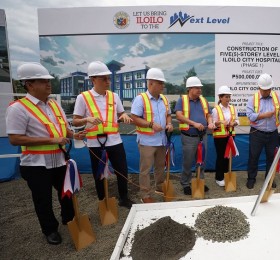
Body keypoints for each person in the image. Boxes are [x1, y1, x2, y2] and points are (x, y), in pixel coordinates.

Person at [6, 62, 86, 245]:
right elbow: (15, 139)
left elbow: (64, 130)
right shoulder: (18, 108)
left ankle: (69, 219)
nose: (48, 84)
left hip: (59, 160)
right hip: (35, 164)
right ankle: (50, 229)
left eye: (48, 80)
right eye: (43, 81)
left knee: (66, 193)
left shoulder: (54, 105)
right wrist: (51, 141)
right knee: (43, 199)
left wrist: (74, 135)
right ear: (29, 84)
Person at [72, 61, 134, 208]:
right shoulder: (83, 97)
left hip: (115, 141)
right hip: (95, 144)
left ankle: (124, 198)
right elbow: (75, 121)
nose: (108, 81)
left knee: (122, 171)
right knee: (99, 174)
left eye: (108, 78)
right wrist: (87, 119)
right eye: (103, 79)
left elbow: (121, 112)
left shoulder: (114, 96)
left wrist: (124, 115)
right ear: (93, 79)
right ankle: (103, 201)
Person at [130, 68, 173, 203]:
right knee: (145, 170)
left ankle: (159, 187)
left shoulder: (164, 99)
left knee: (160, 167)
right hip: (147, 141)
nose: (162, 86)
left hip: (161, 141)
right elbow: (134, 118)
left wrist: (169, 123)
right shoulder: (140, 99)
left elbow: (169, 115)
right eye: (160, 83)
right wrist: (150, 124)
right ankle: (145, 195)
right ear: (150, 83)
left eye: (162, 83)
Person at [175, 76, 215, 195]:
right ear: (189, 89)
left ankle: (199, 181)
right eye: (197, 88)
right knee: (188, 161)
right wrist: (194, 124)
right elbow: (179, 116)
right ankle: (186, 183)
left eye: (200, 88)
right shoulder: (182, 100)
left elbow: (208, 115)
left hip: (203, 136)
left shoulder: (203, 100)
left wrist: (211, 122)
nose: (199, 90)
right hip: (189, 137)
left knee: (201, 160)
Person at [245, 73, 280, 189]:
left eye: (268, 89)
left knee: (271, 157)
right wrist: (264, 115)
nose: (266, 92)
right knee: (253, 157)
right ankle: (251, 178)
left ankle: (269, 179)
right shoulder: (252, 99)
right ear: (259, 87)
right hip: (257, 133)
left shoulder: (277, 98)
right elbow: (250, 116)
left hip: (273, 133)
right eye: (264, 89)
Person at [212, 85, 239, 187]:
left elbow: (237, 120)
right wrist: (219, 123)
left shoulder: (233, 108)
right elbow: (213, 124)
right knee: (221, 157)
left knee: (228, 157)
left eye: (229, 97)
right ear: (220, 97)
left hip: (231, 136)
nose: (228, 99)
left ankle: (226, 175)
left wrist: (234, 123)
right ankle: (219, 178)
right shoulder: (216, 110)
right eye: (226, 97)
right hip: (219, 137)